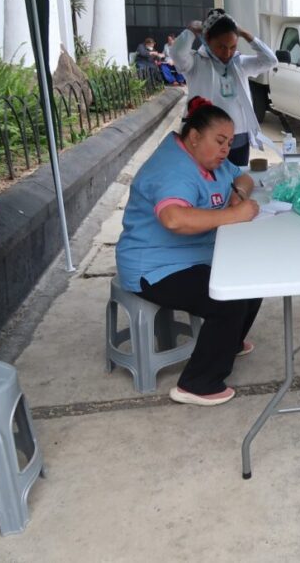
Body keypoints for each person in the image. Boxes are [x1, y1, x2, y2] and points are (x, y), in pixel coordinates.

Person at [115, 96, 261, 407]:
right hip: (154, 267)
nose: (225, 150)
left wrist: (239, 194)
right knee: (228, 299)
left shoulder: (209, 161)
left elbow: (242, 176)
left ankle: (227, 342)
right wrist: (233, 215)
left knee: (252, 279)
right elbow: (173, 218)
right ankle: (197, 383)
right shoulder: (173, 168)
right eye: (219, 141)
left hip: (190, 255)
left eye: (229, 143)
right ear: (194, 137)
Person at [171, 8, 278, 166]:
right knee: (207, 182)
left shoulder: (239, 63)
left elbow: (270, 60)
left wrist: (244, 34)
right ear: (207, 39)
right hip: (205, 136)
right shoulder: (196, 62)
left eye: (232, 46)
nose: (227, 53)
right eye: (221, 46)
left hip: (238, 136)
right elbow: (177, 53)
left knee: (237, 179)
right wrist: (192, 30)